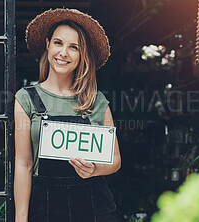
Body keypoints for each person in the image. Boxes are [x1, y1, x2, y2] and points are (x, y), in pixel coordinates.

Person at [14, 8, 121, 222]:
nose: (64, 53)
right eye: (58, 43)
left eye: (74, 47)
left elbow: (116, 160)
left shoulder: (96, 101)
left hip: (92, 205)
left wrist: (95, 169)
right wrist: (21, 217)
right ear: (47, 44)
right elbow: (23, 164)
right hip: (44, 207)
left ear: (82, 55)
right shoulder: (26, 99)